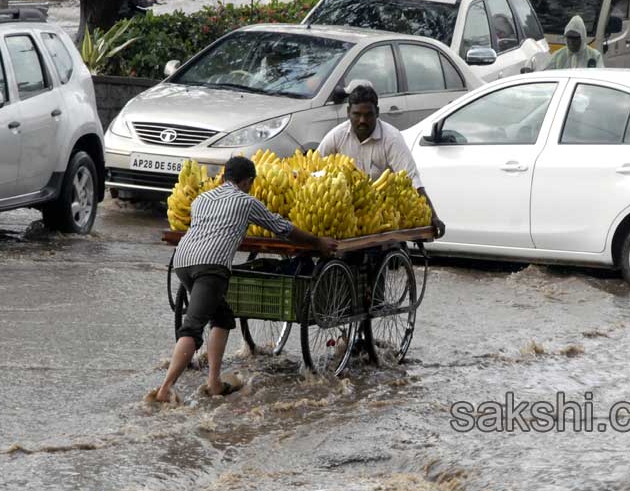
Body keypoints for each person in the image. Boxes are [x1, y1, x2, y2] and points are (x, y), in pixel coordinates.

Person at [153, 156, 337, 403]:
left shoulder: (201, 199)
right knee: (193, 327)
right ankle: (165, 388)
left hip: (183, 261)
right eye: (251, 183)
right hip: (211, 266)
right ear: (248, 181)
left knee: (223, 317)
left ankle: (214, 383)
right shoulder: (246, 202)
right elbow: (281, 228)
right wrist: (316, 242)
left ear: (222, 177)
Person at [318, 84, 446, 238]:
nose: (362, 120)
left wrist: (433, 215)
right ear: (348, 113)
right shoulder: (336, 136)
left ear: (377, 113)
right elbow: (315, 168)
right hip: (344, 207)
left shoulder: (391, 138)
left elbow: (411, 178)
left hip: (381, 210)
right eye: (356, 114)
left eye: (368, 115)